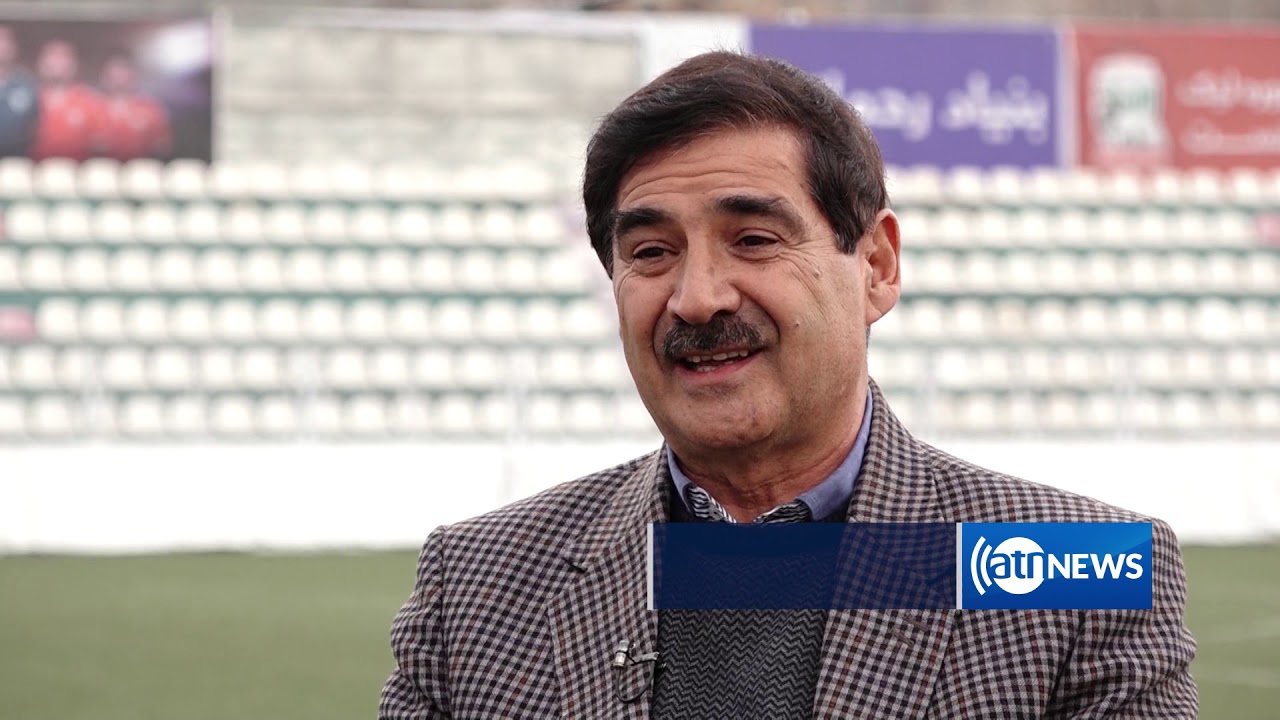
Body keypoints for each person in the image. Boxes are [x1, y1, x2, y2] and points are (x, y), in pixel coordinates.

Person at [379, 51, 1197, 718]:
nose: (698, 298)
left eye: (755, 239)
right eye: (652, 253)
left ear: (876, 266)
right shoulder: (476, 584)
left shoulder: (1083, 573)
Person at [30, 39, 106, 162]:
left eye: (63, 57)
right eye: (51, 56)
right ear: (40, 63)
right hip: (33, 170)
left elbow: (101, 145)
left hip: (78, 170)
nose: (56, 63)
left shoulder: (90, 101)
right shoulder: (28, 98)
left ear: (74, 64)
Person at [98, 51, 171, 161]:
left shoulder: (150, 108)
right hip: (102, 168)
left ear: (133, 74)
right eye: (114, 73)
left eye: (122, 71)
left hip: (141, 167)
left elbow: (163, 147)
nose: (118, 78)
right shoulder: (92, 107)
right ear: (104, 77)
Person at [0, 26, 39, 158]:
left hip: (18, 159)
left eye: (5, 41)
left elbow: (36, 125)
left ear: (13, 48)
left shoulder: (27, 84)